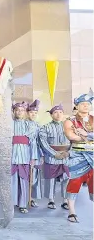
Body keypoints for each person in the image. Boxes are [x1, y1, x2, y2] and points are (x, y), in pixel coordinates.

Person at [63, 90, 93, 223]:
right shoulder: (70, 121)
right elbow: (71, 137)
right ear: (77, 105)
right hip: (77, 156)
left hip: (93, 155)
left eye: (88, 104)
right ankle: (72, 212)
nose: (86, 106)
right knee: (75, 181)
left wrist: (86, 135)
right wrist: (87, 137)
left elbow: (79, 136)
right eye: (83, 104)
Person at [38, 104, 70, 210]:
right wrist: (54, 154)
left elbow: (73, 141)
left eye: (61, 112)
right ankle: (51, 200)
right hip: (51, 157)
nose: (58, 114)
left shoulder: (69, 127)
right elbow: (43, 142)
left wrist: (68, 153)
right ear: (51, 115)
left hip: (66, 157)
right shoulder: (45, 127)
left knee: (66, 178)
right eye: (55, 112)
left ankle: (65, 200)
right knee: (50, 178)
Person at [11, 102, 39, 214]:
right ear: (14, 111)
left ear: (25, 112)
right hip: (12, 156)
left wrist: (33, 158)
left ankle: (23, 204)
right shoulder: (10, 124)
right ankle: (11, 203)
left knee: (23, 181)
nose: (19, 112)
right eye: (17, 110)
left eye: (22, 110)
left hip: (25, 156)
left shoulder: (30, 125)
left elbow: (33, 143)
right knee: (12, 181)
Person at [26, 99, 43, 207]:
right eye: (31, 112)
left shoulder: (38, 125)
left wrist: (41, 154)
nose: (33, 114)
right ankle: (24, 197)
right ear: (27, 113)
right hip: (25, 151)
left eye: (35, 113)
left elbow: (40, 140)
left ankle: (31, 198)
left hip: (35, 151)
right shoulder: (24, 123)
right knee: (25, 175)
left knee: (35, 176)